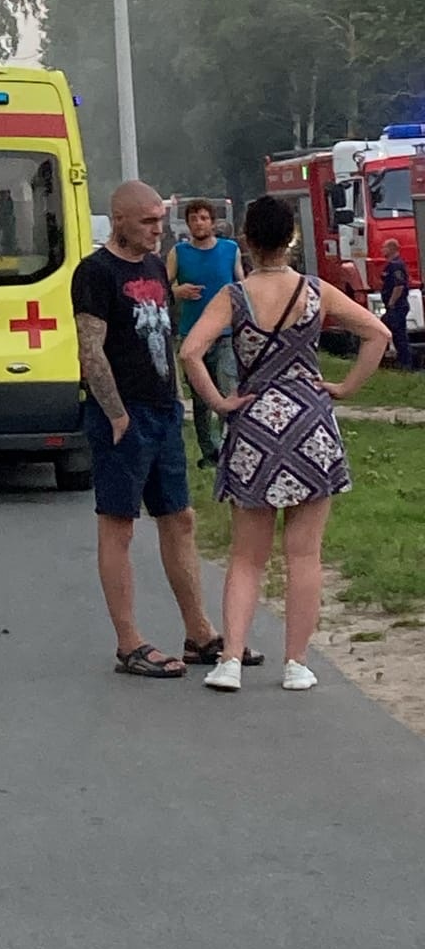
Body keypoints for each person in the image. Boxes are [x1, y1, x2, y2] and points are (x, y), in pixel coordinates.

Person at [181, 193, 389, 692]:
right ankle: (296, 663)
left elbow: (191, 351)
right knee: (304, 556)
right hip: (310, 427)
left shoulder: (234, 297)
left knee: (246, 556)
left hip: (255, 427)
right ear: (292, 238)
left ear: (247, 241)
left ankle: (229, 659)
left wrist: (219, 403)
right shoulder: (315, 292)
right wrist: (343, 388)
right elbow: (377, 333)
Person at [72, 180, 240, 679]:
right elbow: (90, 348)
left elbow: (163, 336)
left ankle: (200, 633)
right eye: (148, 222)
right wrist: (116, 413)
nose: (157, 231)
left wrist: (178, 397)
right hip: (123, 416)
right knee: (118, 524)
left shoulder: (152, 266)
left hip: (164, 409)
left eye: (160, 222)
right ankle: (129, 643)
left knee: (180, 517)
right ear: (118, 219)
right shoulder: (95, 273)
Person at [169, 197, 245, 467]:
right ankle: (209, 452)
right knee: (201, 401)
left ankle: (231, 448)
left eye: (203, 218)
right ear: (188, 224)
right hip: (192, 335)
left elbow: (242, 285)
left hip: (225, 334)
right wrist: (178, 291)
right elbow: (162, 289)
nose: (199, 223)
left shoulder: (230, 249)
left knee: (228, 390)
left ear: (213, 223)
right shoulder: (179, 252)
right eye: (193, 219)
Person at [380, 237, 413, 373]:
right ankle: (401, 362)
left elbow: (399, 286)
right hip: (396, 306)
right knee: (392, 333)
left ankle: (405, 364)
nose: (382, 250)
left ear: (391, 249)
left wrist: (391, 303)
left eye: (384, 247)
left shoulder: (396, 265)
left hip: (397, 306)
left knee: (397, 335)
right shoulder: (392, 264)